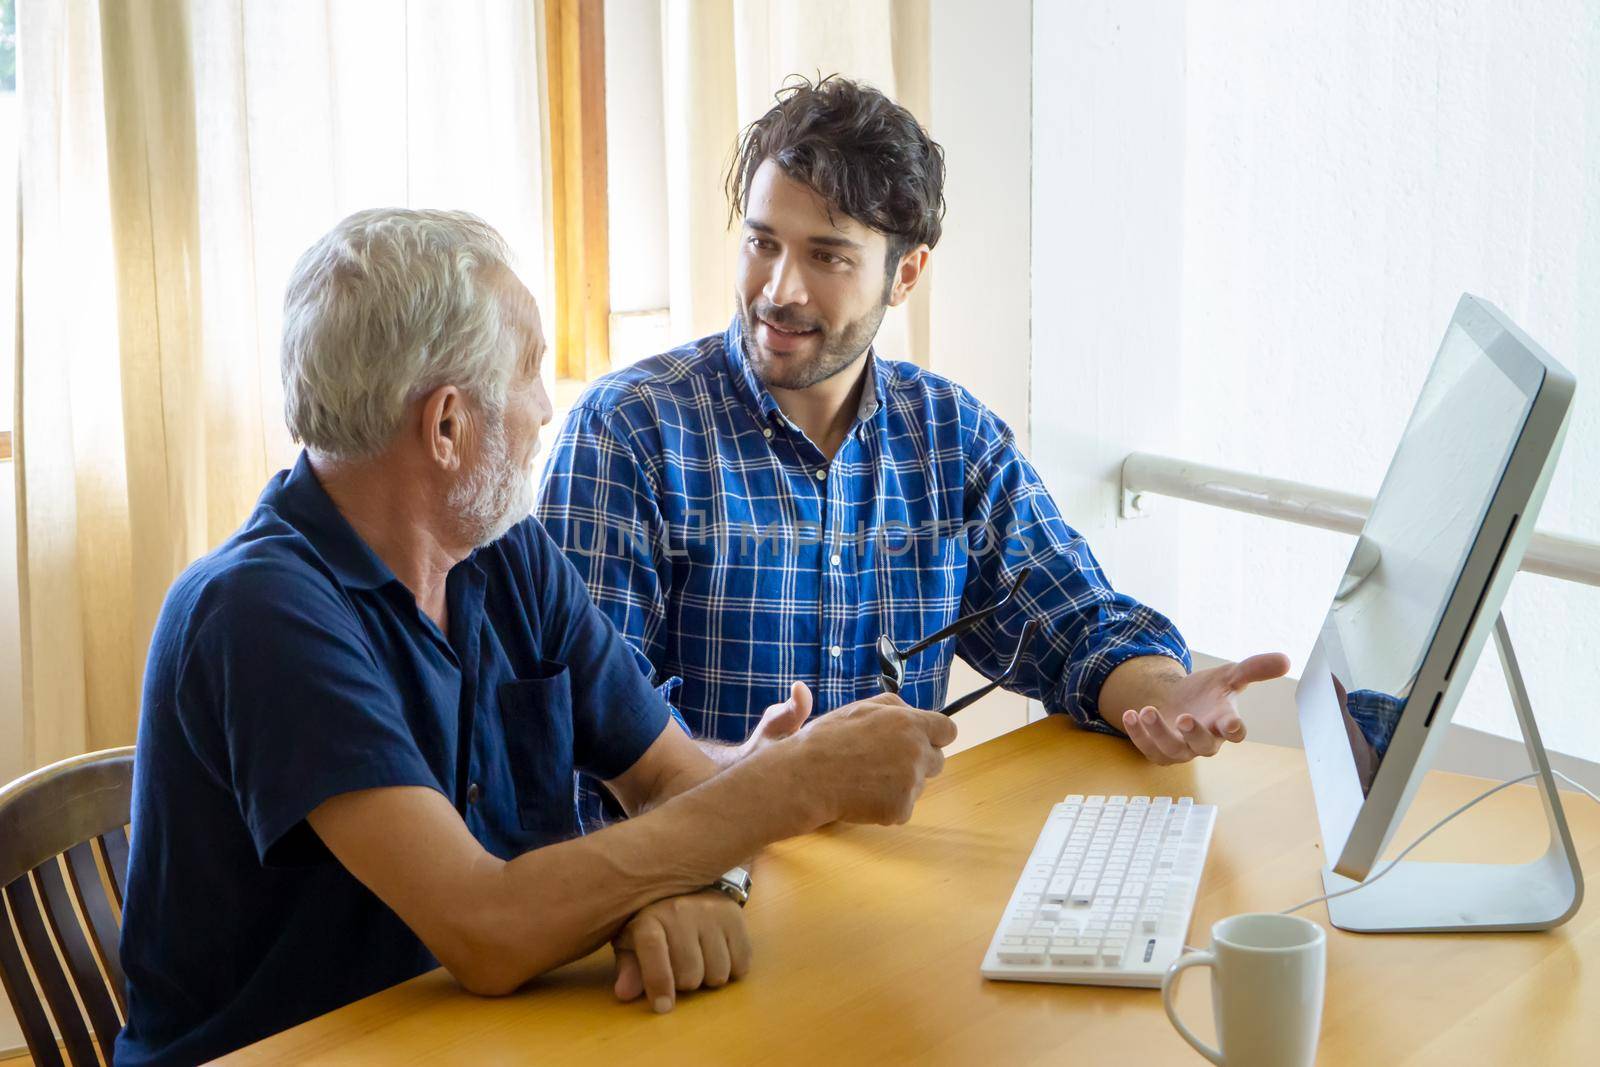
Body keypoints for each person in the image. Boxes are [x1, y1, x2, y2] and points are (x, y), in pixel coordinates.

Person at [116, 209, 955, 1066]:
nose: (546, 410)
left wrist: (688, 883)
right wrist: (786, 788)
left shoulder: (502, 550)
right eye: (528, 372)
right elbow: (486, 926)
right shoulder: (258, 612)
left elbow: (667, 777)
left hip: (488, 1038)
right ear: (447, 426)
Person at [536, 76, 1290, 808]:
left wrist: (1168, 693)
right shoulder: (627, 432)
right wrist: (763, 776)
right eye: (763, 243)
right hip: (683, 890)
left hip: (883, 884)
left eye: (827, 256)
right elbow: (578, 729)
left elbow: (1077, 627)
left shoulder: (950, 439)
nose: (779, 289)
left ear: (906, 274)